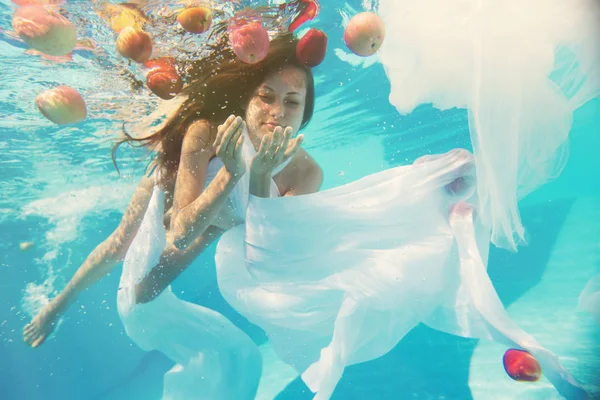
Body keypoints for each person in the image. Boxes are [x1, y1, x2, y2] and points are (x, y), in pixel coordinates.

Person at [25, 31, 323, 400]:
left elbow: (262, 252)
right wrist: (230, 173)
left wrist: (259, 174)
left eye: (292, 102)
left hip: (221, 221)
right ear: (247, 98)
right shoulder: (206, 133)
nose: (277, 113)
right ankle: (56, 306)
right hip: (172, 187)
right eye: (265, 96)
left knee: (144, 293)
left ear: (305, 112)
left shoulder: (306, 174)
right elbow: (179, 231)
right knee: (120, 244)